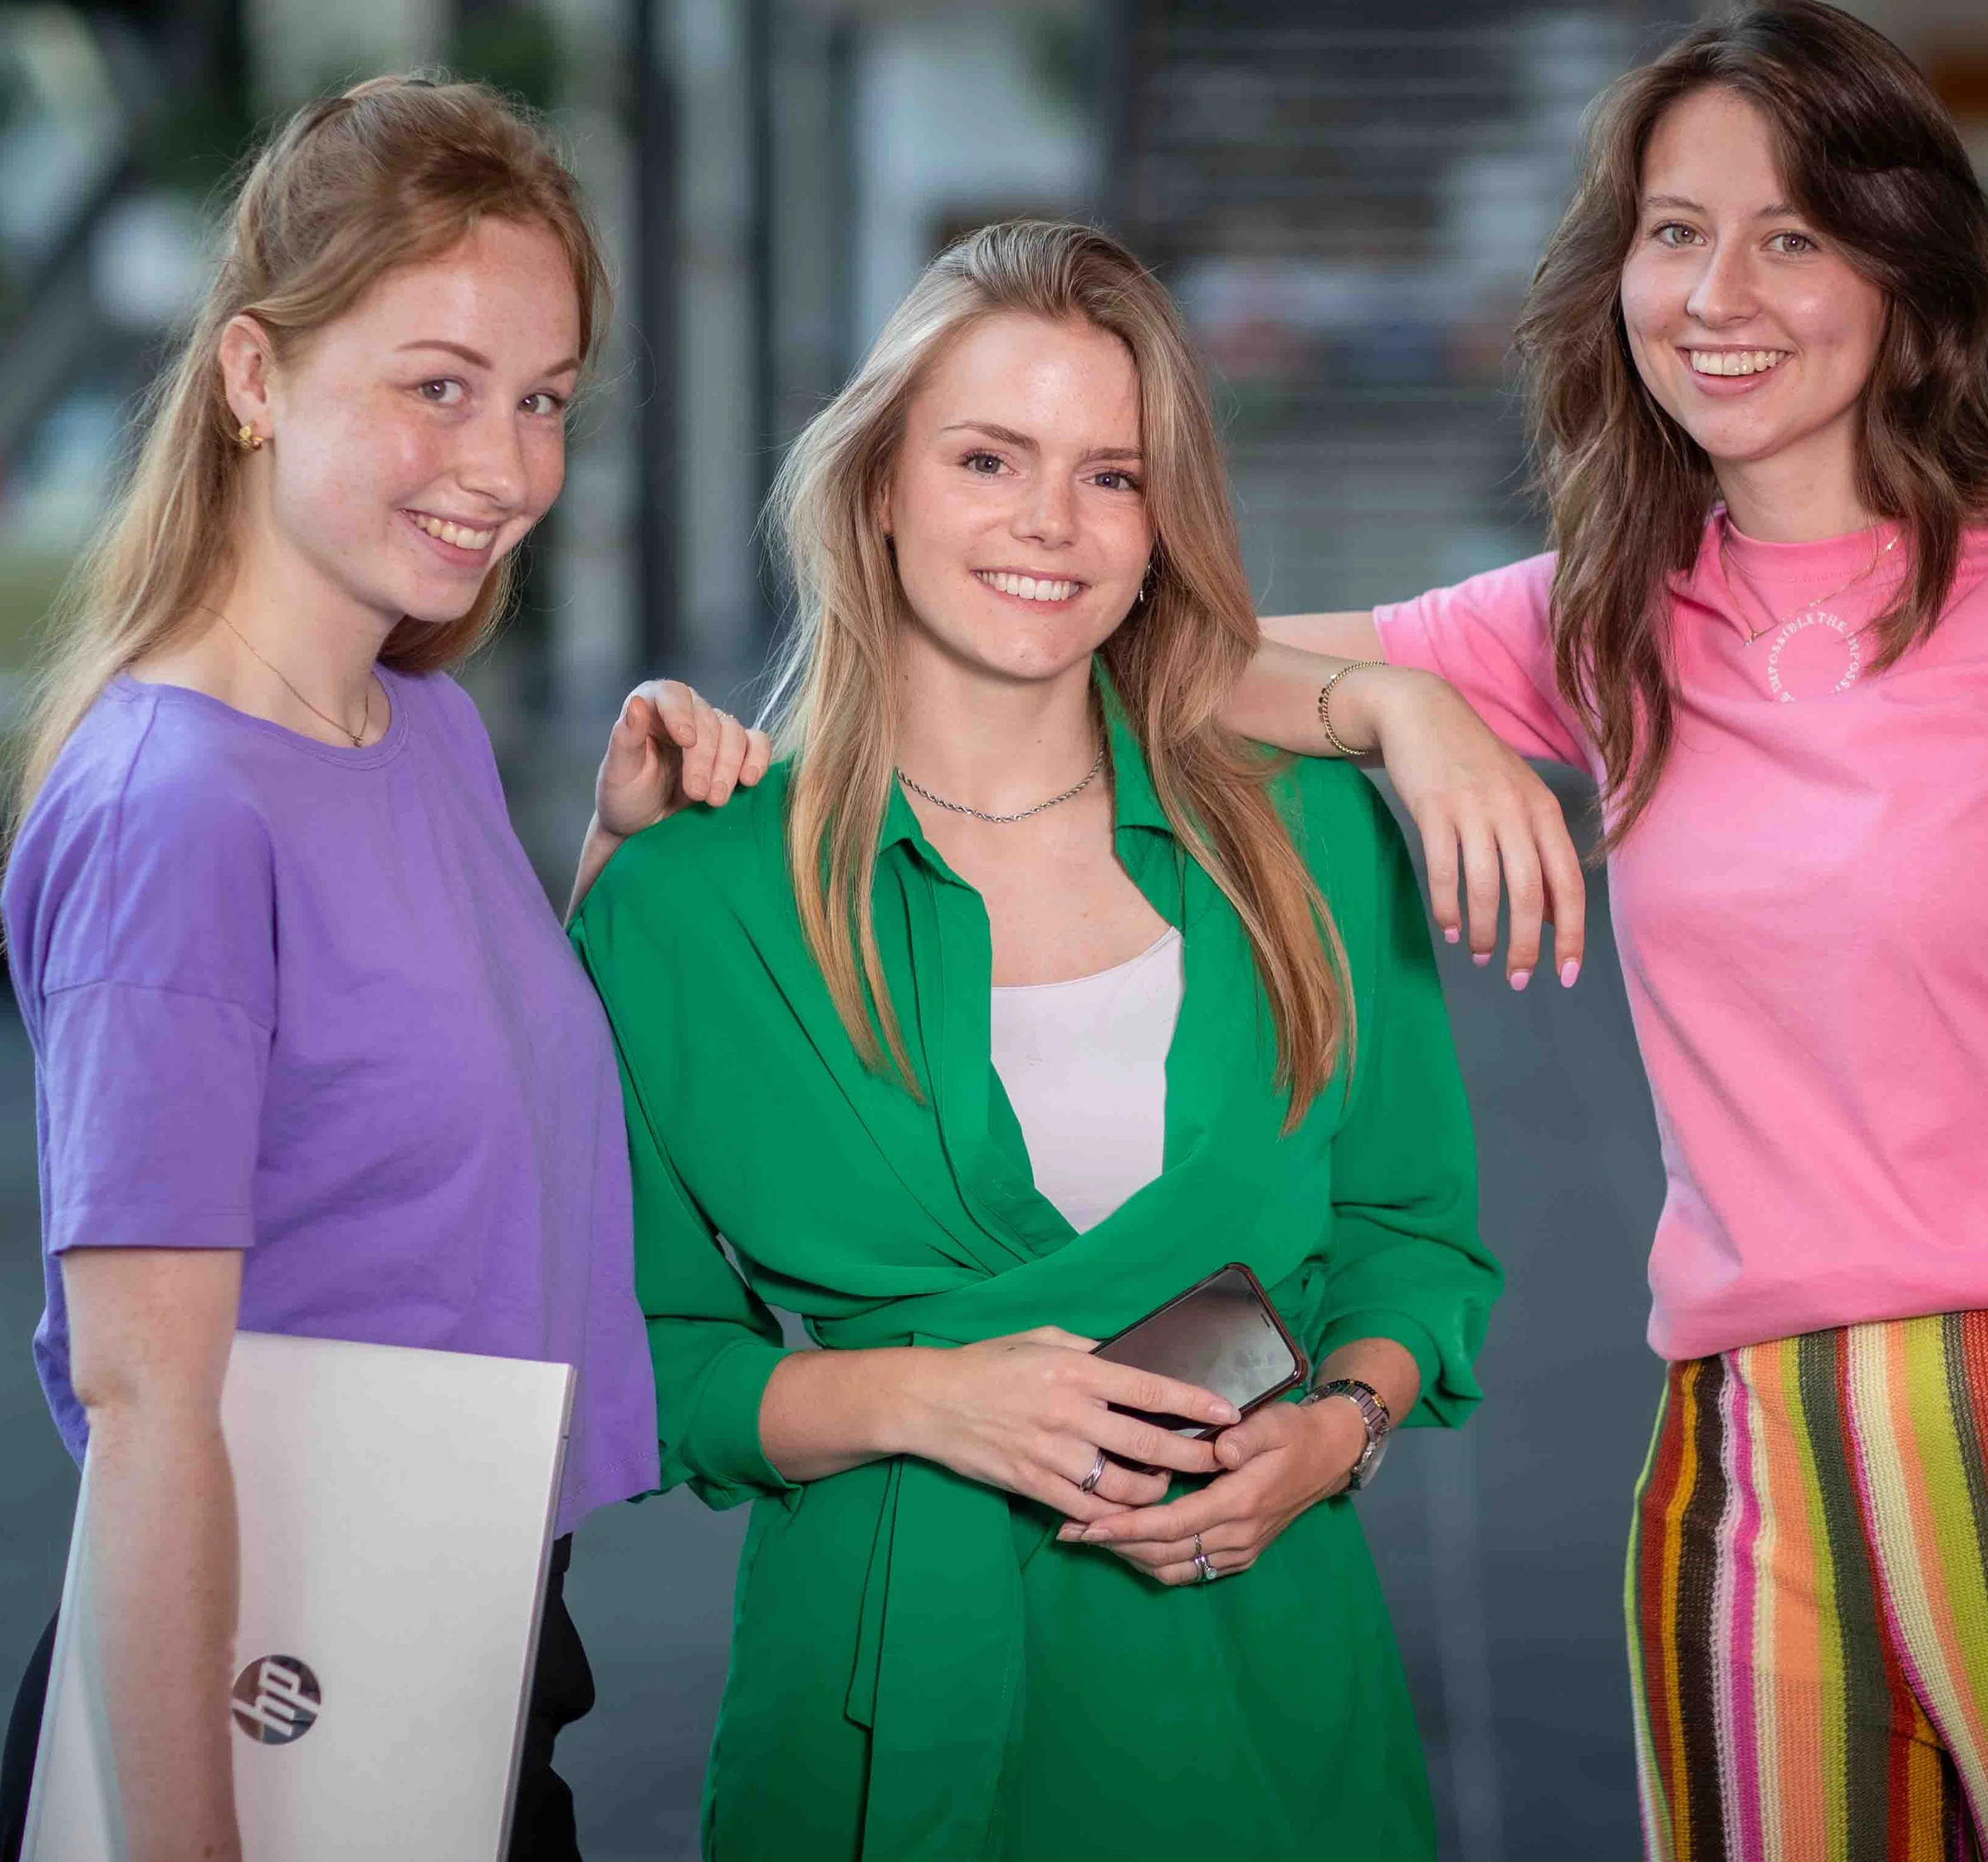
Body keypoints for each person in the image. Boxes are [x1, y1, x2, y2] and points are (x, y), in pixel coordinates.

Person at [1225, 0, 1988, 1861]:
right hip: (1746, 1459)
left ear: (1903, 268)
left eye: (1792, 233)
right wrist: (1390, 707)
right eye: (1675, 230)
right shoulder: (1610, 613)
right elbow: (1177, 665)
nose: (1718, 289)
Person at [568, 219, 1498, 1861]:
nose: (1048, 526)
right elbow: (645, 1356)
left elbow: (1409, 1239)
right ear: (877, 484)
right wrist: (923, 1398)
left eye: (1112, 476)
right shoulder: (687, 900)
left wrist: (1334, 1430)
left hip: (1266, 1684)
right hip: (882, 1721)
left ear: (1161, 525)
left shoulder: (1315, 842)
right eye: (989, 456)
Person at [0, 75, 767, 1862]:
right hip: (272, 1684)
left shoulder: (417, 728)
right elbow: (146, 1398)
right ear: (255, 379)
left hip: (471, 1628)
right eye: (438, 385)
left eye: (543, 399)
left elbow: (420, 1105)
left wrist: (611, 859)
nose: (504, 466)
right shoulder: (173, 806)